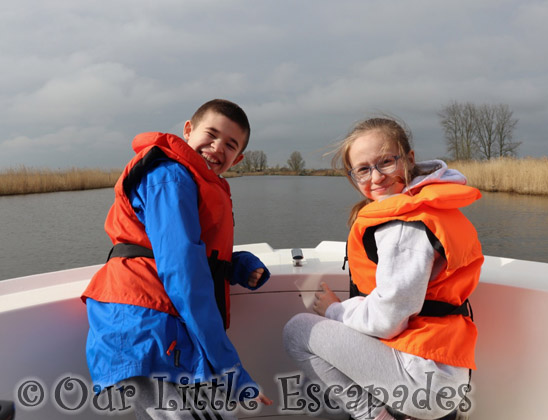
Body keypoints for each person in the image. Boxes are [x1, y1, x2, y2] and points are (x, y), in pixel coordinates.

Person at [82, 99, 272, 419]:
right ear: (188, 130)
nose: (216, 147)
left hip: (156, 318)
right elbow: (182, 271)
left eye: (229, 144)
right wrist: (231, 369)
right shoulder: (170, 177)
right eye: (210, 134)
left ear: (238, 158)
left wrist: (235, 265)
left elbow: (182, 251)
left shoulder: (188, 178)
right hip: (144, 326)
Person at [283, 116, 483, 420]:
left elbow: (388, 320)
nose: (376, 177)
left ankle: (373, 417)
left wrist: (334, 310)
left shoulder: (405, 226)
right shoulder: (424, 207)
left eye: (386, 162)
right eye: (363, 169)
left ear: (409, 159)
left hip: (424, 381)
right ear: (353, 175)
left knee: (297, 331)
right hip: (442, 369)